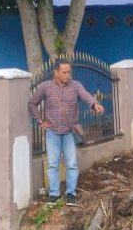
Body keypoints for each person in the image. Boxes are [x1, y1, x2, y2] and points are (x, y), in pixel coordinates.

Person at [28, 59, 104, 206]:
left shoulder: (75, 86)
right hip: (52, 132)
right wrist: (40, 121)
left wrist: (94, 104)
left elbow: (85, 95)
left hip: (69, 132)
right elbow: (32, 103)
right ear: (56, 72)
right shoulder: (46, 87)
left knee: (71, 164)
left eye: (69, 72)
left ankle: (71, 193)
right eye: (64, 72)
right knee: (52, 164)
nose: (67, 75)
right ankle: (54, 194)